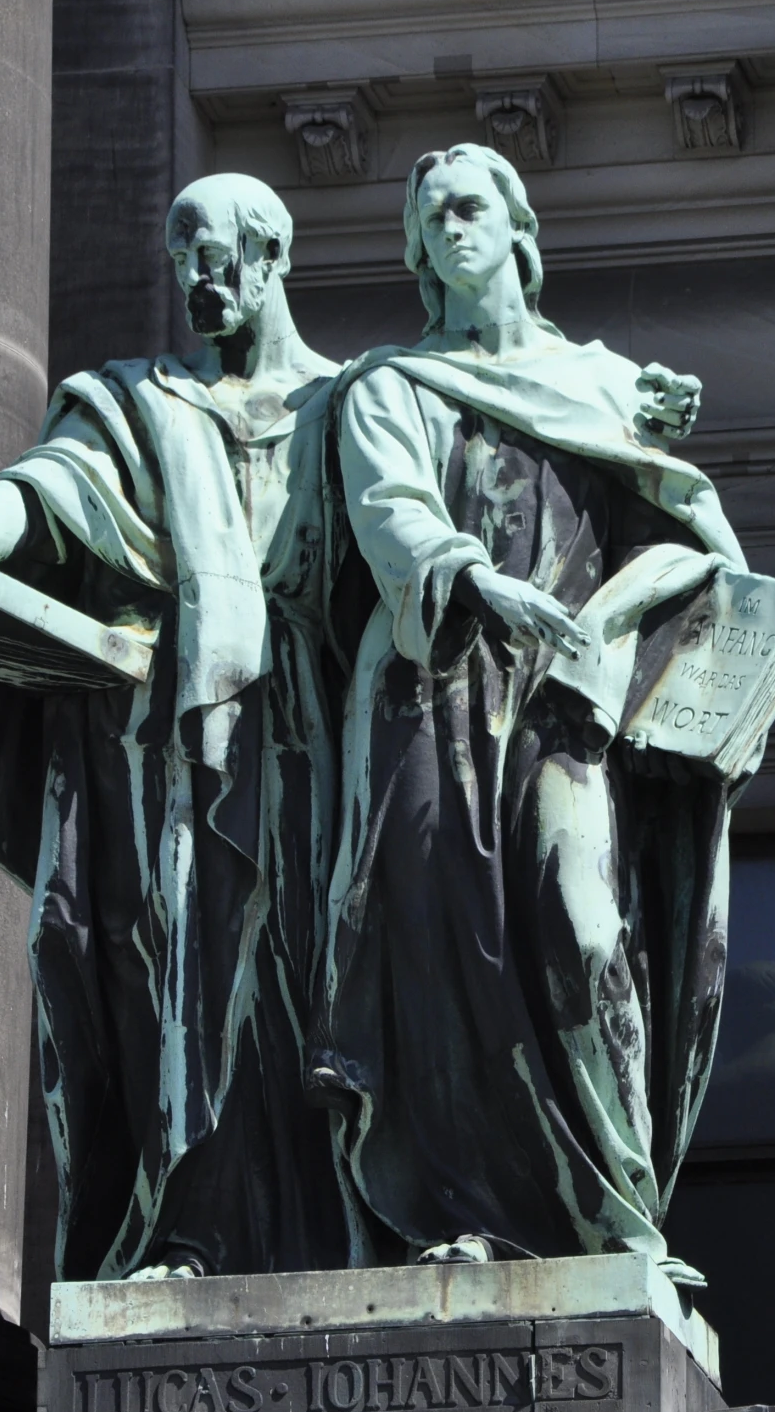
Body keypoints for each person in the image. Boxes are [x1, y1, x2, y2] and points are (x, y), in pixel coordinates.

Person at [0, 174, 362, 1281]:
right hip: (169, 744)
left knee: (312, 973)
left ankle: (345, 1228)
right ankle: (189, 1232)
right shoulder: (135, 402)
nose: (197, 269)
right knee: (180, 971)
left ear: (276, 251)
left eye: (218, 246)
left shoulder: (353, 403)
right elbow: (50, 489)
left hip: (315, 731)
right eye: (179, 247)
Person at [314, 143, 747, 1284]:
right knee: (445, 951)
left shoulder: (608, 381)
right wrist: (474, 575)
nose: (451, 229)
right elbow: (389, 512)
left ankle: (619, 1213)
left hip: (569, 697)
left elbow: (682, 542)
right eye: (430, 219)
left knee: (580, 924)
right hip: (432, 689)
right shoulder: (387, 387)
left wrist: (627, 581)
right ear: (417, 252)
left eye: (470, 208)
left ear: (517, 229)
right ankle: (464, 1210)